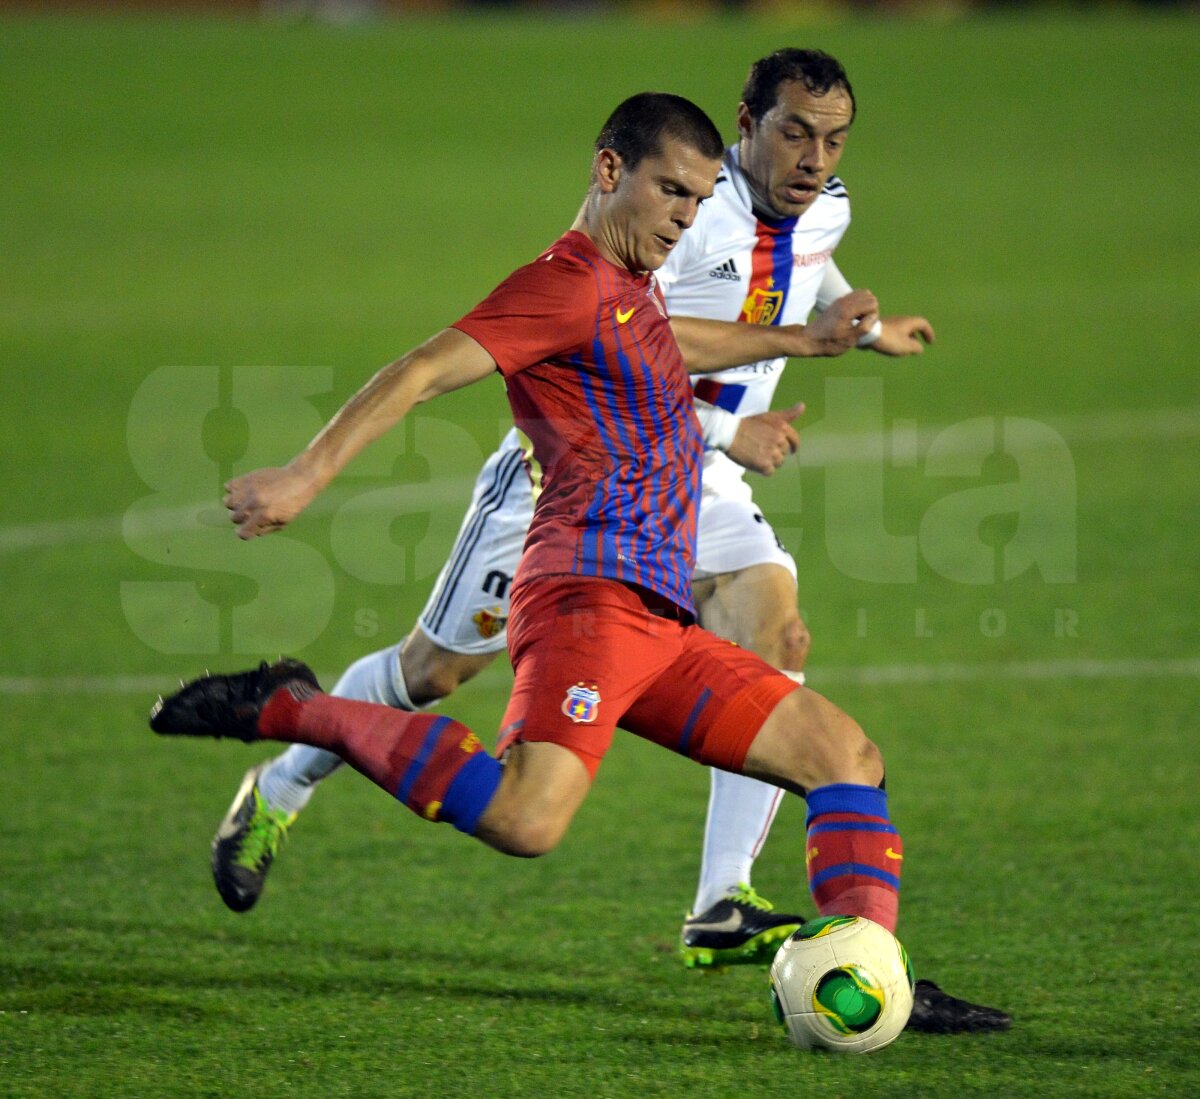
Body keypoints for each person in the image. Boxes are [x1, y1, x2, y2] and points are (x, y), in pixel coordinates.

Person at [199, 51, 1009, 1032]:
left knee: (790, 660)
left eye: (832, 138)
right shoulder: (627, 254)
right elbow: (601, 348)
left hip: (674, 485)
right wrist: (303, 474)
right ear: (747, 121)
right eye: (795, 131)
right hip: (572, 494)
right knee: (432, 675)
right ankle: (287, 763)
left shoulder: (801, 208)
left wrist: (845, 331)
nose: (812, 156)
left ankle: (748, 910)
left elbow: (776, 278)